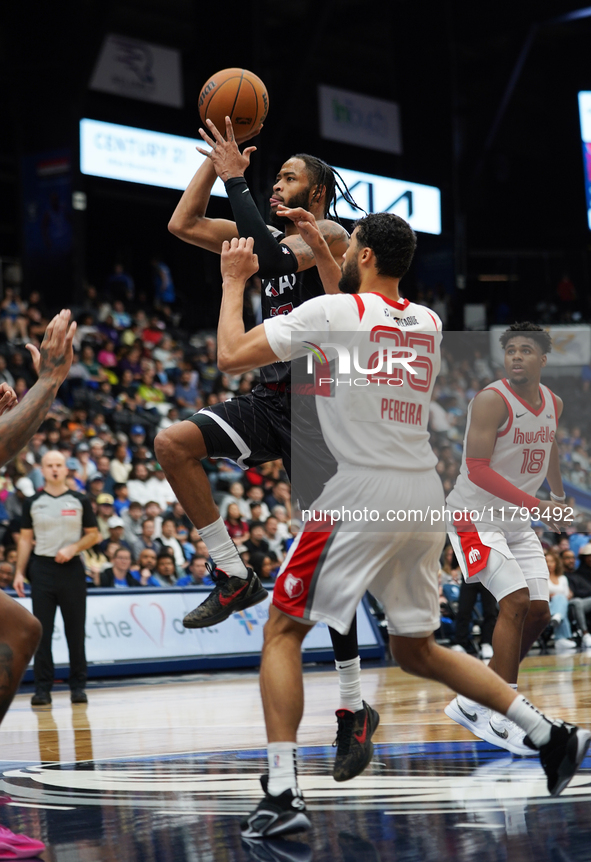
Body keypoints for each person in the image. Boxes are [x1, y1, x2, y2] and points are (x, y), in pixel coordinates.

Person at [210, 222, 589, 839]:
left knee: (282, 629)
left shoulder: (333, 311)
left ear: (361, 254)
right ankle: (550, 736)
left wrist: (234, 283)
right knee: (417, 648)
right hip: (420, 495)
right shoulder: (429, 324)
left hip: (358, 491)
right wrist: (334, 253)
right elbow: (353, 316)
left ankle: (281, 792)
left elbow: (230, 354)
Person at [156, 119, 367, 775]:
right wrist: (212, 165)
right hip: (269, 396)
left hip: (321, 408)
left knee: (324, 567)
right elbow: (183, 224)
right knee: (171, 442)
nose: (278, 185)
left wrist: (236, 177)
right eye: (273, 178)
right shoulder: (265, 230)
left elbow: (277, 259)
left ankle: (354, 706)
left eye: (288, 176)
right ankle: (231, 571)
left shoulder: (329, 237)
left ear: (321, 190)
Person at [444, 323, 571, 756]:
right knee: (514, 603)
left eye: (526, 350)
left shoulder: (553, 402)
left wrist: (555, 495)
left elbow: (549, 445)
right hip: (472, 515)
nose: (517, 356)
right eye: (511, 350)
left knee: (539, 613)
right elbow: (477, 467)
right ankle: (503, 714)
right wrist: (540, 507)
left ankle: (477, 697)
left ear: (542, 359)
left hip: (516, 521)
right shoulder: (490, 400)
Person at [14, 450, 100, 705]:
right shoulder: (33, 501)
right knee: (42, 631)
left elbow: (94, 534)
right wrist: (19, 571)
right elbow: (26, 539)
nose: (54, 469)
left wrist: (73, 548)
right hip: (41, 569)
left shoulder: (79, 499)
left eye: (58, 465)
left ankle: (78, 686)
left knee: (75, 631)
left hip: (71, 569)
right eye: (49, 465)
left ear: (65, 470)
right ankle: (42, 689)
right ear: (42, 469)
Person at [545, 548, 576, 649]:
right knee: (560, 604)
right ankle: (560, 638)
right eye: (546, 562)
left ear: (556, 563)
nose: (549, 564)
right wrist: (551, 596)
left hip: (562, 603)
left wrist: (558, 596)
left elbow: (567, 595)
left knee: (561, 600)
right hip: (548, 605)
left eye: (551, 561)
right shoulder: (542, 579)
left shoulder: (562, 578)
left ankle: (557, 617)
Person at [567, 542, 591, 647]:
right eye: (588, 556)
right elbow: (574, 592)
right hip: (582, 601)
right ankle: (586, 635)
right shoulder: (577, 574)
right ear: (583, 558)